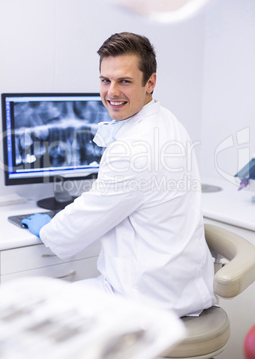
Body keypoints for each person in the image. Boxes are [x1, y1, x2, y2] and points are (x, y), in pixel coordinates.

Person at [23, 32, 216, 317]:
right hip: (182, 286)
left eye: (124, 81)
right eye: (105, 80)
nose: (111, 92)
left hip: (146, 299)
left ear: (150, 82)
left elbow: (90, 215)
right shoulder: (167, 120)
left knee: (34, 311)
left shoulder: (133, 148)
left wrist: (48, 230)